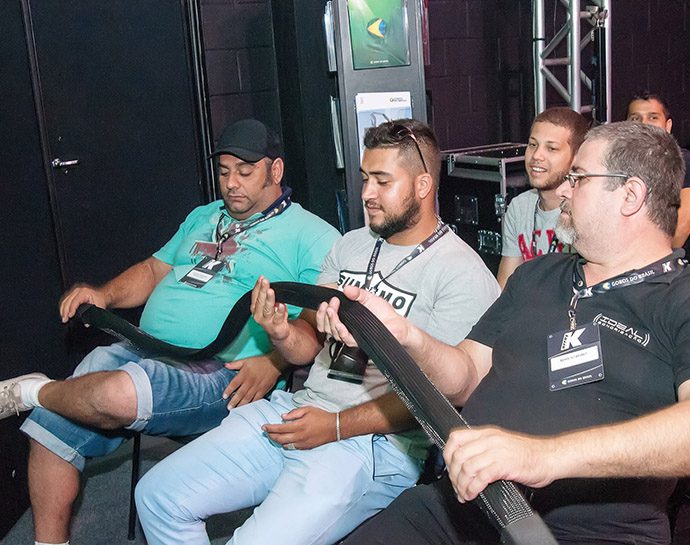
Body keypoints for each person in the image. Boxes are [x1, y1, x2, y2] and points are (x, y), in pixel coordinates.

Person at [322, 122, 690, 545]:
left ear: (630, 195)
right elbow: (465, 376)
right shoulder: (536, 275)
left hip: (587, 534)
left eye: (578, 178)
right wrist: (405, 335)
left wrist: (542, 456)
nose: (563, 190)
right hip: (464, 507)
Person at [134, 119, 500, 545]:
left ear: (422, 186)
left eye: (382, 181)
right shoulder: (350, 245)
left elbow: (439, 398)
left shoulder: (462, 273)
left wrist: (337, 426)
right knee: (157, 495)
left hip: (376, 444)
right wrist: (279, 331)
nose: (366, 193)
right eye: (365, 178)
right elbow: (306, 347)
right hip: (301, 410)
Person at [0, 119, 340, 545]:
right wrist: (103, 294)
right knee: (52, 423)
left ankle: (33, 391)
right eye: (224, 171)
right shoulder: (204, 216)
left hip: (221, 370)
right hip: (146, 348)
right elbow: (152, 270)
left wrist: (273, 362)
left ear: (276, 170)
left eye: (245, 172)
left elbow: (315, 327)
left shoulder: (313, 236)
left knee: (113, 393)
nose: (231, 183)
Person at [496, 108, 588, 288]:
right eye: (532, 145)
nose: (537, 156)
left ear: (576, 158)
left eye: (551, 148)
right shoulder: (519, 206)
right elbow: (505, 286)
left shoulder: (585, 211)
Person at [627, 91, 690, 267]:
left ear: (668, 125)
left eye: (653, 117)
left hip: (670, 267)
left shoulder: (686, 162)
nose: (644, 124)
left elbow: (685, 220)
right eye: (635, 118)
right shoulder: (620, 166)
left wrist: (652, 264)